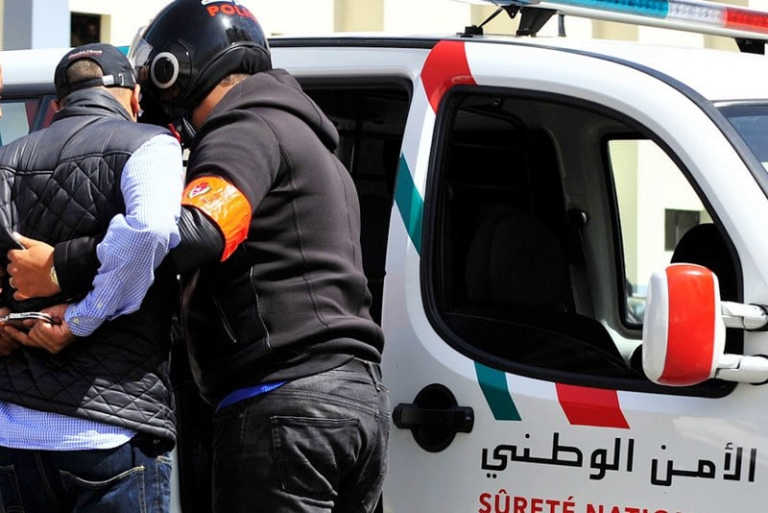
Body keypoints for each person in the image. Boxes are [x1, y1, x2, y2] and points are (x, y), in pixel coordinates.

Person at [9, 2, 391, 512]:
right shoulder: (308, 140)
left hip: (286, 403)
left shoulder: (246, 127)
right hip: (355, 403)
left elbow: (193, 233)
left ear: (174, 69)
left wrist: (62, 265)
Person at [0, 43, 184, 512]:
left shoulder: (8, 157)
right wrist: (83, 317)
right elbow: (150, 229)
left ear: (57, 106)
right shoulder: (149, 143)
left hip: (15, 436)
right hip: (109, 431)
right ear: (134, 97)